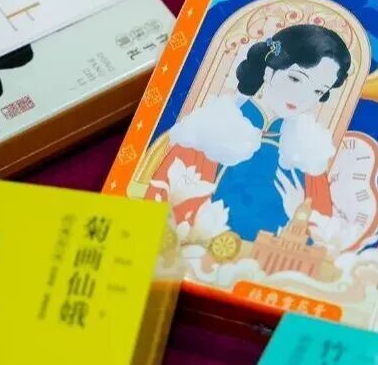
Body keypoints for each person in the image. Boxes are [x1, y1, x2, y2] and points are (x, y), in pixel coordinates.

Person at [148, 24, 353, 242]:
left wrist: (297, 215)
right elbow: (158, 200)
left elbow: (320, 230)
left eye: (318, 91)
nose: (302, 97)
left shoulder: (307, 151)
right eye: (295, 79)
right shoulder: (211, 127)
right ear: (269, 71)